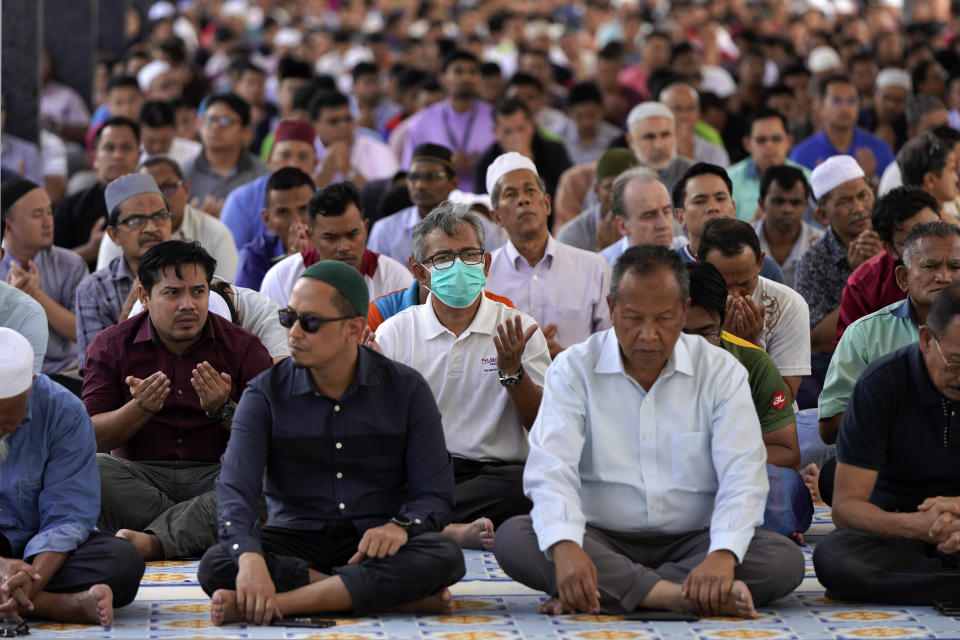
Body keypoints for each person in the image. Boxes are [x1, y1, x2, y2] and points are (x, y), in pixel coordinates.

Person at [492, 244, 804, 618]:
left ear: (684, 312)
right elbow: (550, 469)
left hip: (695, 541)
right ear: (611, 310)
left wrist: (722, 554)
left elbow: (743, 474)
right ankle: (679, 597)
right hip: (597, 535)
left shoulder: (721, 372)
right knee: (517, 537)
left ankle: (608, 592)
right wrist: (565, 546)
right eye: (634, 318)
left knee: (783, 560)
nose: (648, 335)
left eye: (664, 319)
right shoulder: (574, 369)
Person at [196, 261, 466, 625]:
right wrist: (249, 559)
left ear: (354, 329)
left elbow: (435, 494)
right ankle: (391, 600)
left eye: (309, 322)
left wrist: (400, 527)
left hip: (373, 541)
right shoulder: (265, 393)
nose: (293, 333)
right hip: (296, 537)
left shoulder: (405, 389)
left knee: (445, 554)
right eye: (288, 317)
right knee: (218, 563)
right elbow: (235, 488)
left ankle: (287, 604)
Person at [373, 202, 551, 549]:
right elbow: (377, 433)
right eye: (442, 259)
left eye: (469, 255)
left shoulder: (519, 328)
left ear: (485, 265)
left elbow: (543, 425)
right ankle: (444, 526)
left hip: (495, 477)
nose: (458, 267)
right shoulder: (393, 334)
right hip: (421, 471)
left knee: (526, 484)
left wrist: (512, 372)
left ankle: (416, 522)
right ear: (420, 272)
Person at [82, 241, 273, 561]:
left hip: (217, 474)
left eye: (198, 292)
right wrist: (137, 410)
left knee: (268, 478)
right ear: (144, 296)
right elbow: (88, 439)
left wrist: (225, 411)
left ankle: (153, 542)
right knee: (88, 468)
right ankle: (207, 528)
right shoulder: (111, 345)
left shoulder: (243, 346)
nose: (188, 304)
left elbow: (273, 437)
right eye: (173, 293)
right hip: (139, 479)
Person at [812, 281, 960, 604]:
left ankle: (929, 583)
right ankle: (948, 584)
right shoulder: (880, 383)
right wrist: (919, 526)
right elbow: (846, 508)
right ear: (925, 340)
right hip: (896, 525)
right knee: (835, 557)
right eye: (956, 364)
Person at [0, 328, 144, 627]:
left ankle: (21, 597)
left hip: (40, 549)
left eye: (6, 421)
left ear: (30, 387)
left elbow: (68, 513)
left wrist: (33, 579)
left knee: (123, 563)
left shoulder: (63, 411)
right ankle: (54, 605)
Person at [683, 261, 811, 540]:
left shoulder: (752, 362)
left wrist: (714, 459)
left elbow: (787, 454)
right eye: (682, 334)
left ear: (722, 319)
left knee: (784, 487)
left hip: (733, 475)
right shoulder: (642, 365)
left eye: (706, 333)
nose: (694, 347)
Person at [818, 221, 960, 447]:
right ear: (903, 278)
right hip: (891, 463)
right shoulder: (864, 334)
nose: (944, 277)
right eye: (930, 266)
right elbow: (830, 426)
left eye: (955, 267)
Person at [486, 152, 610, 357]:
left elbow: (610, 345)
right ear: (497, 216)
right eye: (510, 194)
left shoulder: (594, 268)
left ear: (546, 204)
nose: (523, 200)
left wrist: (566, 357)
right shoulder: (483, 276)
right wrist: (523, 356)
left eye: (530, 191)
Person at [697, 218, 811, 401]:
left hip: (769, 423)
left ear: (760, 262)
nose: (734, 296)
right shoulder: (687, 304)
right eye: (723, 285)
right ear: (699, 264)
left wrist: (752, 347)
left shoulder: (789, 305)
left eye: (745, 284)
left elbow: (784, 397)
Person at [76, 173, 174, 372]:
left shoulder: (194, 274)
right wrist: (132, 306)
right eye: (136, 220)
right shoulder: (94, 289)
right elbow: (95, 371)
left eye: (159, 216)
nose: (151, 228)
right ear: (114, 235)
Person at [260, 182, 410, 307]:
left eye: (352, 234)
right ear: (311, 236)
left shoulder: (396, 279)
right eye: (330, 237)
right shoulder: (280, 279)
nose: (344, 247)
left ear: (366, 229)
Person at [95, 157, 238, 281]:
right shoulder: (123, 230)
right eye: (149, 189)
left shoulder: (217, 233)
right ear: (114, 235)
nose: (159, 196)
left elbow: (228, 298)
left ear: (186, 189)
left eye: (168, 187)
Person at [1, 179, 87, 378]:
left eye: (49, 212)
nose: (49, 222)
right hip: (7, 373)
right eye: (37, 215)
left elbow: (83, 332)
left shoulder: (71, 264)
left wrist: (36, 295)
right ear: (8, 226)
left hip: (66, 371)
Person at [795, 156, 879, 354]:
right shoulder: (813, 261)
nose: (858, 208)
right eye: (844, 202)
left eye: (863, 195)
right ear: (823, 215)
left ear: (873, 195)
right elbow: (816, 339)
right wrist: (863, 279)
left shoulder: (897, 239)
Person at [835, 187, 941, 342]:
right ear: (889, 248)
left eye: (936, 230)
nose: (932, 247)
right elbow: (852, 351)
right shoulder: (863, 284)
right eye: (915, 242)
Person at [402, 50, 497, 193]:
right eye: (458, 72)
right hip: (436, 206)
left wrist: (479, 167)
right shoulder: (421, 122)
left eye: (472, 72)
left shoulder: (495, 117)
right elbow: (410, 172)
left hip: (486, 202)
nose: (466, 78)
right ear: (443, 78)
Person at [672, 163, 785, 283]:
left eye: (720, 198)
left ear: (733, 208)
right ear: (680, 217)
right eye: (700, 201)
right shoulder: (671, 270)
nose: (713, 207)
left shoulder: (766, 270)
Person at [54, 116, 141, 268]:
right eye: (109, 148)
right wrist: (90, 250)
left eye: (126, 148)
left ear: (139, 156)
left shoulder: (155, 205)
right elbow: (49, 265)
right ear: (95, 157)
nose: (118, 155)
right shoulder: (72, 207)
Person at [220, 120, 318, 250]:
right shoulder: (240, 200)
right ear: (269, 160)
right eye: (285, 155)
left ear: (315, 164)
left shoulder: (323, 200)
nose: (293, 164)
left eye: (302, 157)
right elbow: (232, 259)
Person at [789, 75, 895, 182]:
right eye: (836, 101)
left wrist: (870, 178)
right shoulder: (801, 155)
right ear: (820, 107)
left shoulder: (880, 149)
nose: (845, 108)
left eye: (851, 101)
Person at [367, 143, 459, 264]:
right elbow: (373, 280)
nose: (420, 185)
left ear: (453, 183)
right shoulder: (385, 231)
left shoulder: (479, 228)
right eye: (414, 177)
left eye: (431, 177)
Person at [473, 98, 572, 200]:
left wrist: (530, 168)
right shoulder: (484, 163)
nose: (516, 137)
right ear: (495, 132)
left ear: (532, 125)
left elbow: (564, 199)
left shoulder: (554, 151)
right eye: (507, 132)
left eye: (521, 129)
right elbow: (485, 207)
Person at [182, 93, 267, 211]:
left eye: (226, 121)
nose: (216, 126)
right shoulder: (183, 173)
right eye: (210, 119)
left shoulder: (261, 174)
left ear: (245, 131)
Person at [235, 167, 316, 291]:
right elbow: (250, 309)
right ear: (267, 218)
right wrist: (289, 268)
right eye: (283, 212)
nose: (297, 222)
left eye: (304, 209)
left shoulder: (334, 245)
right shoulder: (255, 257)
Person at [728, 109, 811, 222]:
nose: (769, 145)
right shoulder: (729, 180)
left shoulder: (808, 179)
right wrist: (755, 225)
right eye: (761, 140)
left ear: (789, 142)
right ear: (747, 144)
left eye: (776, 139)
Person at [555, 149, 641, 253]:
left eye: (626, 186)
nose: (618, 194)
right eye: (609, 186)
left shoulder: (655, 224)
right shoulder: (572, 236)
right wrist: (606, 251)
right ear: (597, 190)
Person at [311, 90, 399, 187]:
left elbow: (391, 196)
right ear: (315, 125)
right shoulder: (303, 152)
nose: (344, 126)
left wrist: (349, 171)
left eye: (348, 119)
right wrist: (324, 176)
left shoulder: (378, 149)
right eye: (333, 121)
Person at [753, 166, 821, 289]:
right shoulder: (740, 243)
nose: (787, 209)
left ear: (806, 205)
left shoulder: (821, 244)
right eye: (779, 202)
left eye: (795, 203)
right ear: (761, 204)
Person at [599, 168, 676, 266]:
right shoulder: (603, 269)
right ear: (623, 226)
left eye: (666, 211)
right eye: (649, 216)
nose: (663, 224)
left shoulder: (689, 256)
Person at [659, 82, 729, 167]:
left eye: (691, 108)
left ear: (699, 112)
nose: (685, 115)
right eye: (677, 109)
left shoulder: (714, 152)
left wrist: (686, 153)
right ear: (661, 112)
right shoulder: (650, 147)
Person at [560, 82, 622, 165]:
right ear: (569, 114)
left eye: (592, 115)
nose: (587, 122)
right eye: (580, 116)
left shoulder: (616, 138)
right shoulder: (556, 137)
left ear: (602, 111)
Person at [139, 100, 201, 167]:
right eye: (151, 141)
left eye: (164, 141)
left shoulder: (196, 154)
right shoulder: (129, 154)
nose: (157, 147)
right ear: (140, 133)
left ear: (174, 131)